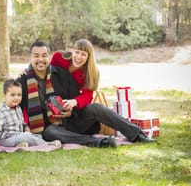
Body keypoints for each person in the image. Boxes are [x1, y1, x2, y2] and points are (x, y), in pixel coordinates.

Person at [18, 40, 155, 147]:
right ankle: (99, 142)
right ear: (30, 57)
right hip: (49, 128)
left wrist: (70, 111)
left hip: (71, 122)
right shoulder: (23, 81)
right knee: (50, 132)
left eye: (44, 55)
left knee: (95, 107)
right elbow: (17, 108)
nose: (41, 59)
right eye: (36, 56)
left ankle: (138, 135)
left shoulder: (62, 74)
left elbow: (82, 98)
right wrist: (25, 126)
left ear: (49, 57)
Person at [0, 79, 60, 148]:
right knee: (27, 136)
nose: (16, 98)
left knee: (37, 136)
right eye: (13, 95)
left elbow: (21, 121)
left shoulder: (18, 108)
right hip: (7, 139)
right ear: (4, 96)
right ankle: (47, 144)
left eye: (19, 95)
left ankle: (19, 145)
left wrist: (25, 127)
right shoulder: (1, 112)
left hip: (18, 136)